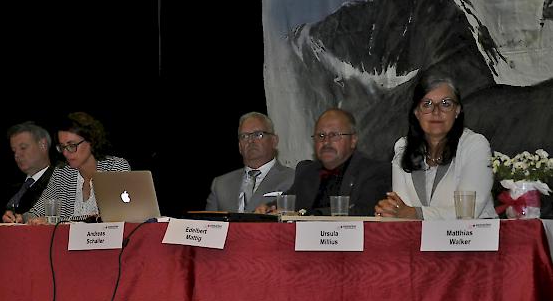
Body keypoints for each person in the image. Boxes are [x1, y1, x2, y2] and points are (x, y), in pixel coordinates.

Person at [375, 74, 497, 219]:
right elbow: (402, 210)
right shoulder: (402, 147)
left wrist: (414, 213)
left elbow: (468, 212)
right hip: (421, 239)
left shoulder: (475, 145)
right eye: (427, 104)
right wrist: (391, 211)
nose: (436, 112)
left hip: (472, 238)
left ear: (457, 110)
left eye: (445, 104)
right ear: (416, 112)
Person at [257, 108, 390, 216]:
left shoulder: (374, 171)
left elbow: (364, 212)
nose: (326, 142)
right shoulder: (308, 171)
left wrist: (306, 215)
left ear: (353, 140)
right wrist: (267, 210)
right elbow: (289, 202)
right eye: (320, 136)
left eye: (334, 135)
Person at [6, 112, 130, 223]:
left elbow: (113, 217)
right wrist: (20, 218)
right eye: (62, 147)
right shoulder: (62, 173)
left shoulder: (115, 167)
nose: (65, 153)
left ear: (91, 141)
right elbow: (37, 212)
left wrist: (56, 222)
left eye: (71, 146)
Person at [205, 112, 295, 212]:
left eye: (258, 135)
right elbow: (207, 224)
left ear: (274, 141)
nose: (251, 141)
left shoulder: (293, 179)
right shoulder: (221, 184)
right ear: (239, 146)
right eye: (244, 136)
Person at [0, 122, 54, 223]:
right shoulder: (8, 184)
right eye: (14, 151)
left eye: (23, 148)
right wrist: (4, 217)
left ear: (43, 145)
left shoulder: (61, 180)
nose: (17, 155)